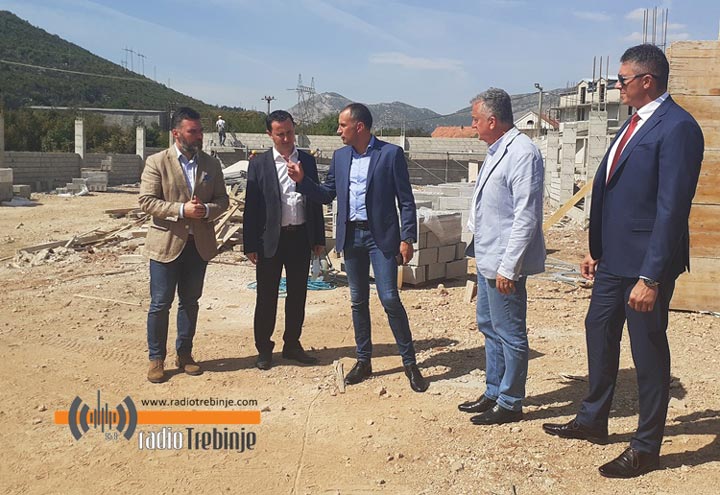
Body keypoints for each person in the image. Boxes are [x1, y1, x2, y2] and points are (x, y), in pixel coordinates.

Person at [542, 44, 704, 478]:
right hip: (613, 260)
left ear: (646, 81)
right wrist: (596, 249)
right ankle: (593, 419)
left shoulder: (678, 128)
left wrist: (651, 277)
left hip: (646, 264)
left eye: (622, 79)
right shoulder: (631, 124)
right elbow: (613, 192)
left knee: (647, 350)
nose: (617, 86)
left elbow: (672, 209)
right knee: (598, 330)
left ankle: (646, 446)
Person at [287, 103, 428, 393]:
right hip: (352, 237)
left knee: (389, 298)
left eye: (342, 125)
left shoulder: (390, 154)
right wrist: (303, 182)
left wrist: (407, 238)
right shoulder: (340, 157)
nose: (338, 131)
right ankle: (364, 360)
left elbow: (406, 200)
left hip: (381, 238)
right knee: (357, 301)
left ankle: (410, 363)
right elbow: (327, 194)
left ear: (359, 127)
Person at [457, 88, 545, 425]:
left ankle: (510, 401)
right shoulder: (496, 151)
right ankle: (493, 390)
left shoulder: (523, 153)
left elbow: (526, 216)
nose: (473, 125)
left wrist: (510, 267)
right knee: (489, 326)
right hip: (487, 256)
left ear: (492, 121)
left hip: (504, 263)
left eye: (475, 119)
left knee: (510, 332)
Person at [139, 106, 229, 383]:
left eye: (200, 131)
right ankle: (156, 358)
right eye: (193, 131)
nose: (199, 136)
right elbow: (146, 201)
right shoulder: (157, 162)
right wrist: (181, 210)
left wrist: (207, 210)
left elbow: (223, 200)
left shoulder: (211, 164)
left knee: (190, 302)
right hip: (166, 245)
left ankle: (185, 354)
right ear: (176, 133)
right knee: (160, 303)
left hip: (198, 245)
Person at [243, 110, 325, 370]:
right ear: (270, 134)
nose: (287, 138)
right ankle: (264, 349)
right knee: (266, 296)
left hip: (300, 237)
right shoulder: (260, 164)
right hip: (270, 240)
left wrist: (318, 238)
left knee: (298, 294)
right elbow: (251, 207)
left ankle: (292, 344)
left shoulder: (307, 162)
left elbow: (315, 201)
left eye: (290, 132)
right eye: (281, 134)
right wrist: (250, 244)